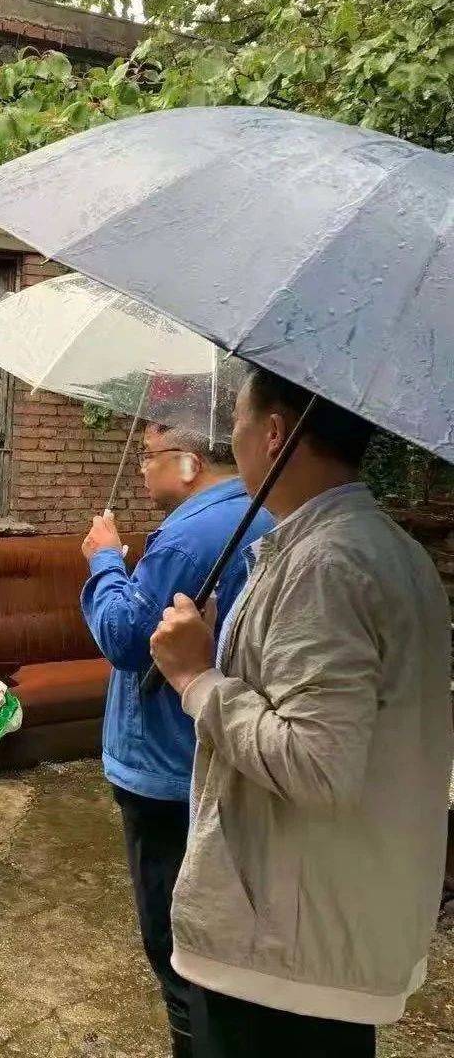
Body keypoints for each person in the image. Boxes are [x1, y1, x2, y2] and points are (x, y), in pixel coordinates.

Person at [150, 367, 453, 1058]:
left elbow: (317, 762)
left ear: (275, 433)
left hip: (286, 950)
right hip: (324, 922)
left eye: (237, 426)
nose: (233, 443)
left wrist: (195, 680)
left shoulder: (328, 564)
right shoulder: (378, 548)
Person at [81, 420, 273, 1058]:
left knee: (175, 946)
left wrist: (105, 558)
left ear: (189, 465)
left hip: (164, 765)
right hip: (224, 753)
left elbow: (127, 639)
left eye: (150, 457)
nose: (142, 469)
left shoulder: (188, 536)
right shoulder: (263, 517)